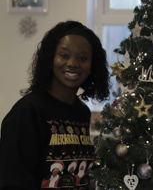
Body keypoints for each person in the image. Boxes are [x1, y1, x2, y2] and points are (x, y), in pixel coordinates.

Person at [0, 20, 110, 190]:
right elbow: (12, 180)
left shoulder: (82, 112)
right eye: (64, 55)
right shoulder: (28, 111)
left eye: (82, 58)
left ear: (92, 65)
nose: (73, 63)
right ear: (50, 58)